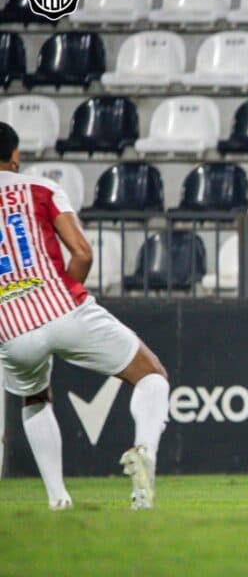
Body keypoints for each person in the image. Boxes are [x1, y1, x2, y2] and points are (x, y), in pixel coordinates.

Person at [0, 122, 169, 510]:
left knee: (35, 399)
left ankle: (58, 500)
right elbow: (82, 253)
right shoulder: (40, 189)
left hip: (11, 329)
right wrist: (58, 299)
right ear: (16, 155)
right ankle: (144, 455)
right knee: (151, 375)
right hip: (64, 308)